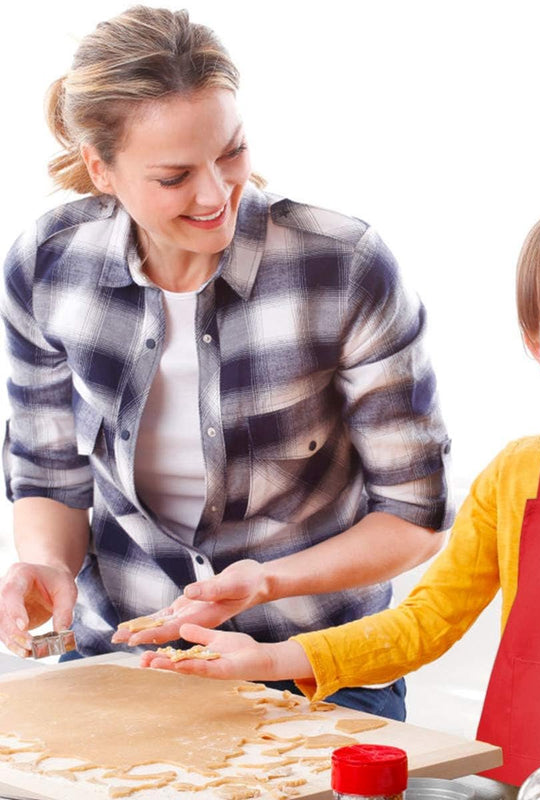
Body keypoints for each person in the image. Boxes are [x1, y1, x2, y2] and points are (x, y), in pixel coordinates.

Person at [140, 200, 540, 784]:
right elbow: (426, 624)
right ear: (536, 346)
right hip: (523, 779)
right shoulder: (517, 474)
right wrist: (271, 658)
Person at [0, 5, 453, 721]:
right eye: (175, 175)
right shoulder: (48, 267)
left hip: (317, 672)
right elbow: (50, 476)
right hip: (122, 668)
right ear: (101, 168)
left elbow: (416, 517)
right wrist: (46, 568)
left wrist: (266, 583)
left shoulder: (342, 267)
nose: (217, 195)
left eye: (231, 153)